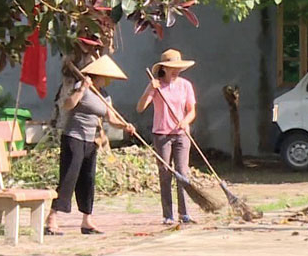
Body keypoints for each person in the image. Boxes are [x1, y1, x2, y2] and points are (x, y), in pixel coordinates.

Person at [45, 55, 135, 236]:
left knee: (88, 179)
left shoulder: (104, 96)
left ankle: (87, 221)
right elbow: (68, 105)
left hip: (90, 140)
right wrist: (83, 88)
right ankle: (52, 218)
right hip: (73, 138)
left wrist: (125, 126)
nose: (107, 81)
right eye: (105, 77)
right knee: (69, 177)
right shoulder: (82, 87)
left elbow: (111, 118)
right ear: (97, 75)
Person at [137, 49, 198, 226]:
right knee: (165, 173)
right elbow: (140, 108)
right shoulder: (156, 86)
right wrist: (150, 88)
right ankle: (168, 214)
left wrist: (185, 121)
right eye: (172, 68)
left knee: (182, 173)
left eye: (178, 68)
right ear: (164, 68)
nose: (176, 71)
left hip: (181, 134)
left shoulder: (185, 85)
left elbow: (192, 110)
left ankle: (184, 213)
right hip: (162, 134)